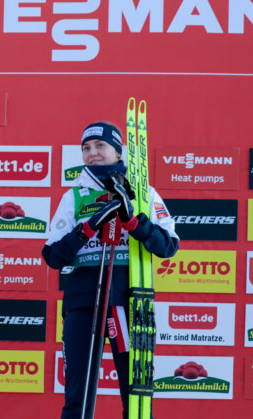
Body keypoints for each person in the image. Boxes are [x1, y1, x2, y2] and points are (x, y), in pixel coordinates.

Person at [41, 121, 179, 419]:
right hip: (83, 304)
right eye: (86, 148)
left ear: (118, 150)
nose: (93, 153)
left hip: (130, 301)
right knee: (78, 395)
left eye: (100, 146)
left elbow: (167, 246)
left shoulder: (144, 193)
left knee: (137, 396)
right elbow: (52, 256)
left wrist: (135, 223)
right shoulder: (74, 196)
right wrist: (87, 229)